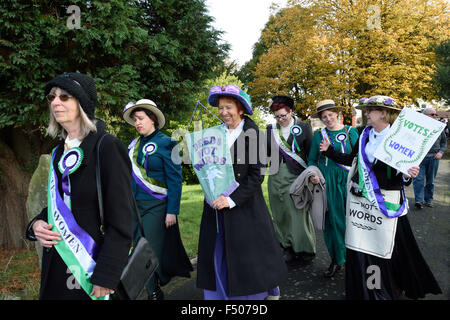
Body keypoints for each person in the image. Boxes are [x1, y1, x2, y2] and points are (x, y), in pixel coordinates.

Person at [321, 95, 442, 300]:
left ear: (384, 114)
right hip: (362, 201)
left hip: (387, 202)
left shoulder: (400, 138)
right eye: (366, 111)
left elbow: (402, 177)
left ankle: (391, 285)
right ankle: (372, 288)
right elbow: (353, 160)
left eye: (370, 111)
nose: (366, 114)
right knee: (366, 247)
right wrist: (330, 152)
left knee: (390, 248)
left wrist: (407, 174)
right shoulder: (365, 135)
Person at [25, 72, 133, 300]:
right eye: (52, 97)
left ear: (82, 103)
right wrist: (37, 224)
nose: (55, 102)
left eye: (64, 97)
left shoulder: (107, 147)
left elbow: (122, 220)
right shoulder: (57, 152)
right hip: (57, 261)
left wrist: (106, 275)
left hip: (92, 268)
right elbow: (61, 204)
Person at [196, 84, 287, 300]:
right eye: (220, 108)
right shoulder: (213, 134)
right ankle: (219, 294)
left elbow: (256, 177)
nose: (223, 113)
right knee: (217, 251)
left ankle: (255, 295)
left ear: (240, 109)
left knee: (249, 258)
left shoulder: (255, 135)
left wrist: (231, 200)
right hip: (215, 205)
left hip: (244, 206)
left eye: (228, 108)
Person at [122, 99, 192, 300]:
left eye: (141, 119)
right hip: (134, 206)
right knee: (138, 248)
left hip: (157, 206)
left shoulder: (167, 143)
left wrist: (172, 210)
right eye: (135, 119)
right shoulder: (132, 145)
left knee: (150, 249)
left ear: (152, 119)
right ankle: (153, 288)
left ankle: (153, 290)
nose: (137, 123)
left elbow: (175, 181)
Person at [308, 100, 359, 278]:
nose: (328, 119)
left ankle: (353, 258)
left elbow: (357, 158)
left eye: (330, 115)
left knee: (353, 221)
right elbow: (312, 159)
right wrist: (313, 174)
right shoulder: (318, 135)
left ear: (337, 114)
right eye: (324, 117)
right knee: (332, 222)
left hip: (348, 180)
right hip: (327, 181)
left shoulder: (351, 131)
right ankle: (337, 259)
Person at [266, 95, 316, 265]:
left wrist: (312, 175)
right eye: (277, 116)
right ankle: (287, 246)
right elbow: (263, 155)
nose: (280, 119)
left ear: (291, 111)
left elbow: (311, 155)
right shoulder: (269, 129)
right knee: (280, 213)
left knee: (298, 213)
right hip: (275, 176)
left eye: (283, 115)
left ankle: (304, 248)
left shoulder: (304, 127)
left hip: (297, 176)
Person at [413, 107, 447, 209]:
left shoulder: (439, 127)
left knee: (430, 181)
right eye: (432, 114)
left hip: (433, 158)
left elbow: (444, 142)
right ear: (424, 115)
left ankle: (428, 200)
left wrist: (441, 152)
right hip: (419, 158)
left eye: (435, 114)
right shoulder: (416, 127)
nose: (434, 116)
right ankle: (419, 200)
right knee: (418, 179)